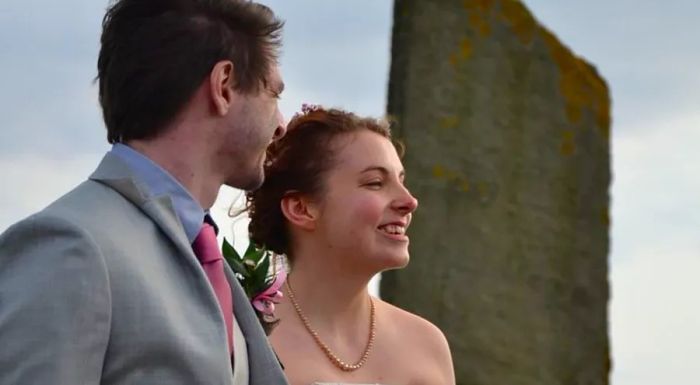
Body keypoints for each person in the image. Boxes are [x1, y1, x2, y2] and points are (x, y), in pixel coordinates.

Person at [0, 0, 289, 384]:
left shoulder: (202, 254)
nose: (281, 125)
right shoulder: (70, 245)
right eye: (274, 94)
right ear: (222, 86)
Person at [246, 106, 456, 385]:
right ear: (302, 208)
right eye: (375, 183)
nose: (409, 201)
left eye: (402, 181)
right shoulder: (243, 336)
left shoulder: (427, 345)